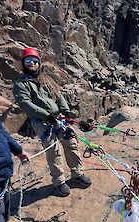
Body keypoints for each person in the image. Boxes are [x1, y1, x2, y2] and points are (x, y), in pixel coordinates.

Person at [13, 47, 91, 197]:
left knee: (70, 141)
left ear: (39, 62)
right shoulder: (21, 84)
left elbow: (58, 96)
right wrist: (47, 116)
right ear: (23, 64)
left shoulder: (45, 79)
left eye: (34, 61)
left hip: (57, 117)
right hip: (41, 120)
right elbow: (26, 104)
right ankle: (59, 181)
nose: (32, 64)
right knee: (53, 148)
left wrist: (66, 111)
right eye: (28, 61)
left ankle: (77, 173)